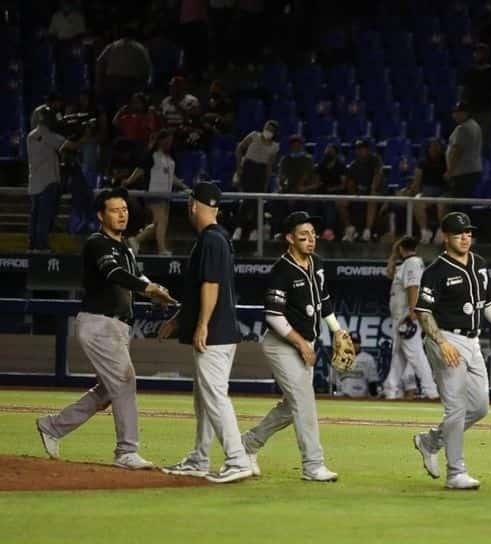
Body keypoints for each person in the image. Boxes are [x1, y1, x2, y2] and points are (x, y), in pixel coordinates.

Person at [35, 188, 175, 468]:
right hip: (99, 322)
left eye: (124, 209)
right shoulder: (97, 243)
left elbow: (136, 276)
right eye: (114, 210)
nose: (122, 214)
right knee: (124, 382)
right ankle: (127, 451)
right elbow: (114, 273)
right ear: (101, 215)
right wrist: (147, 288)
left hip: (117, 326)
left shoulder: (125, 246)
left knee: (109, 390)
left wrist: (155, 289)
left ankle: (53, 426)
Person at [412, 212, 491, 490]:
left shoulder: (479, 263)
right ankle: (456, 472)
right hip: (446, 339)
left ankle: (430, 441)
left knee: (479, 406)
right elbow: (423, 312)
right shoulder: (436, 271)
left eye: (468, 233)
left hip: (473, 341)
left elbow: (489, 303)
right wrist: (442, 343)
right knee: (456, 407)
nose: (465, 237)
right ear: (445, 237)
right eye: (458, 233)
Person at [240, 211, 345, 482]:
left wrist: (336, 331)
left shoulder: (317, 263)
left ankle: (248, 444)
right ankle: (313, 465)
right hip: (282, 344)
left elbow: (324, 300)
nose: (311, 240)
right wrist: (301, 344)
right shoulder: (282, 270)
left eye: (313, 234)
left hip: (305, 343)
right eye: (303, 236)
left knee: (291, 407)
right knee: (305, 402)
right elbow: (274, 316)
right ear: (289, 238)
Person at [159, 182, 252, 484]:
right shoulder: (217, 237)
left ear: (192, 205)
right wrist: (180, 320)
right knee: (205, 399)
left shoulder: (211, 239)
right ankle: (199, 458)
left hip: (215, 334)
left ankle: (237, 460)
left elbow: (211, 285)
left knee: (214, 397)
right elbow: (203, 289)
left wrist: (202, 324)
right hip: (220, 332)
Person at [382, 236, 439, 401]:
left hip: (407, 316)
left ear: (401, 249)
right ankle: (390, 388)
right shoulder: (407, 263)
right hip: (401, 317)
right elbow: (389, 273)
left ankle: (431, 390)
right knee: (399, 354)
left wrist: (413, 313)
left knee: (416, 355)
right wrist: (394, 255)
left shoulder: (412, 262)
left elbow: (413, 287)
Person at [124, 129, 188, 255]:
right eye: (167, 140)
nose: (169, 143)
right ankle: (161, 249)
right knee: (161, 221)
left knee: (158, 224)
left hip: (166, 194)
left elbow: (172, 177)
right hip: (154, 193)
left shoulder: (170, 158)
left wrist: (184, 187)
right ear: (160, 141)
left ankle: (135, 240)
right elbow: (141, 169)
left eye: (171, 141)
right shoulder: (152, 155)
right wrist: (129, 181)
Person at [27, 106, 79, 251]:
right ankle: (41, 247)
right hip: (48, 183)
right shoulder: (48, 136)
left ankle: (32, 246)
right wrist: (83, 136)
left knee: (35, 216)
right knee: (44, 218)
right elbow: (71, 146)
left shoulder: (30, 136)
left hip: (35, 183)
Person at [233, 120, 280, 241]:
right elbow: (239, 148)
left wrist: (266, 182)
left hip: (261, 172)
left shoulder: (275, 147)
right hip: (248, 168)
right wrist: (239, 168)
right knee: (247, 199)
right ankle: (239, 228)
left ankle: (254, 229)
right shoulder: (254, 136)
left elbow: (269, 166)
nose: (268, 131)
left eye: (271, 130)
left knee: (257, 202)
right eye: (267, 128)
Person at [406, 138, 448, 244]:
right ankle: (425, 232)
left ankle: (441, 231)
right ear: (428, 149)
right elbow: (417, 181)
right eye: (432, 147)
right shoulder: (422, 163)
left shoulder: (447, 162)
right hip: (427, 194)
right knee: (417, 202)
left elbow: (450, 181)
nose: (434, 150)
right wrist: (414, 192)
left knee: (442, 203)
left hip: (443, 193)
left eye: (437, 147)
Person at [342, 138, 384, 242]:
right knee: (340, 202)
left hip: (375, 192)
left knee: (372, 199)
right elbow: (350, 183)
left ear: (368, 149)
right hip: (359, 193)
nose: (359, 151)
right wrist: (352, 195)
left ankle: (367, 231)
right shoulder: (354, 164)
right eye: (358, 149)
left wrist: (372, 189)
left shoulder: (375, 160)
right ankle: (350, 229)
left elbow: (377, 175)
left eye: (362, 148)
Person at [460, 43, 491, 151]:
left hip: (486, 111)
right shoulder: (470, 72)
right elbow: (464, 90)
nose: (476, 55)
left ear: (485, 55)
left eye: (479, 53)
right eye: (476, 53)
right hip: (471, 110)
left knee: (483, 140)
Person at [445, 102, 483, 199]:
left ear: (466, 113)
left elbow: (457, 151)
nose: (455, 115)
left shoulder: (462, 128)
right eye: (455, 112)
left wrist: (450, 172)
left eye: (459, 112)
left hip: (463, 173)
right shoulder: (475, 125)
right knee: (466, 201)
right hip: (472, 171)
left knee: (458, 203)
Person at [330, 332, 379, 398]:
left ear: (360, 343)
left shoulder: (368, 359)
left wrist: (374, 398)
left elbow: (372, 382)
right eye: (351, 342)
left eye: (356, 342)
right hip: (342, 397)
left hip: (361, 398)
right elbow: (333, 383)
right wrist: (333, 396)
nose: (353, 345)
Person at [314, 144, 347, 240]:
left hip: (336, 193)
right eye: (327, 151)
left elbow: (343, 185)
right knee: (313, 204)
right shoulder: (321, 165)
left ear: (336, 153)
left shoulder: (340, 166)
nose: (328, 153)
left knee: (330, 204)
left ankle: (329, 230)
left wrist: (331, 189)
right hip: (322, 193)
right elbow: (317, 181)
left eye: (330, 152)